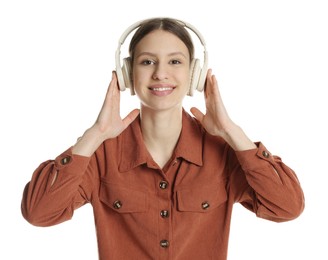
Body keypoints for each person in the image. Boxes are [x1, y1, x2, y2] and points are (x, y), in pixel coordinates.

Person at [21, 17, 305, 260]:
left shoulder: (224, 153)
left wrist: (233, 132)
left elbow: (287, 207)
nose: (160, 73)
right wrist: (93, 136)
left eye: (175, 61)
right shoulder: (100, 155)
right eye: (147, 61)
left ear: (194, 73)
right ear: (128, 73)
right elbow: (39, 213)